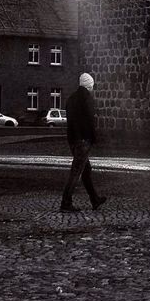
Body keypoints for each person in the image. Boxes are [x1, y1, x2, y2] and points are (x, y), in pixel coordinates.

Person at [60, 72, 106, 212]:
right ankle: (66, 202)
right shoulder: (87, 99)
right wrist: (94, 138)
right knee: (76, 172)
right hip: (84, 139)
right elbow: (90, 121)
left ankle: (94, 199)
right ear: (89, 85)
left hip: (73, 139)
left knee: (86, 170)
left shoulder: (71, 99)